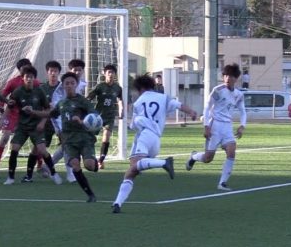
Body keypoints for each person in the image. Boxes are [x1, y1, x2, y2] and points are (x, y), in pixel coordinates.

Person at [111, 75, 197, 213]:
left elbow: (133, 125)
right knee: (132, 170)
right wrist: (192, 112)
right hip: (156, 139)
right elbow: (179, 105)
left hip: (145, 135)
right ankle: (117, 203)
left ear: (139, 89)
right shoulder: (163, 98)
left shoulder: (138, 102)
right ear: (153, 86)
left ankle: (164, 163)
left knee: (134, 167)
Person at [185, 63, 247, 191]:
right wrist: (206, 126)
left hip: (227, 127)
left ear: (236, 78)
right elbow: (207, 108)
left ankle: (222, 183)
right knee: (208, 158)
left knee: (231, 151)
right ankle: (194, 157)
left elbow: (243, 111)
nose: (227, 78)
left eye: (231, 76)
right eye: (225, 75)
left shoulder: (238, 95)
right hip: (215, 125)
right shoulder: (218, 91)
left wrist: (242, 126)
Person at [39, 72, 99, 202]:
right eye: (67, 83)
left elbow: (94, 115)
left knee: (89, 166)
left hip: (84, 138)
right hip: (69, 141)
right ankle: (90, 195)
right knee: (75, 165)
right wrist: (33, 112)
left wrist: (82, 121)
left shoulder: (83, 101)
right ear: (63, 86)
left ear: (76, 85)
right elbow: (50, 114)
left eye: (72, 83)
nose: (70, 85)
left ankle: (95, 164)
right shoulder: (62, 103)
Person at [4, 65, 61, 185]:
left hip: (36, 126)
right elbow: (10, 106)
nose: (29, 79)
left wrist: (41, 122)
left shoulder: (39, 91)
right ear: (23, 78)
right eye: (26, 77)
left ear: (34, 78)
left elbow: (47, 110)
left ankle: (54, 173)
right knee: (14, 149)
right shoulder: (18, 92)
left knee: (42, 150)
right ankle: (10, 177)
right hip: (22, 127)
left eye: (31, 77)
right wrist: (5, 119)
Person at [0, 58, 38, 176]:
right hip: (13, 114)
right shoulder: (13, 82)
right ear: (20, 70)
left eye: (28, 67)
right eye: (24, 68)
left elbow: (40, 97)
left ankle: (40, 165)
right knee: (5, 137)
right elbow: (3, 95)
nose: (27, 71)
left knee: (37, 140)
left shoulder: (35, 82)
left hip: (29, 115)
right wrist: (2, 107)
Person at [50, 59, 88, 182]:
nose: (77, 72)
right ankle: (70, 173)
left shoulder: (82, 84)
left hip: (74, 119)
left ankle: (47, 166)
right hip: (61, 118)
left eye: (79, 70)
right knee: (68, 144)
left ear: (83, 71)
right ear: (70, 70)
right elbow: (56, 106)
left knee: (66, 145)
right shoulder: (64, 85)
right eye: (74, 69)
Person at [87, 64, 124, 170]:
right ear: (105, 73)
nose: (111, 74)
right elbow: (90, 96)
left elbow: (120, 100)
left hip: (110, 117)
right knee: (91, 138)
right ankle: (90, 157)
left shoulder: (118, 88)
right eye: (109, 72)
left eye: (112, 72)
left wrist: (121, 110)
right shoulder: (100, 86)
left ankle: (101, 161)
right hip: (97, 117)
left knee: (106, 137)